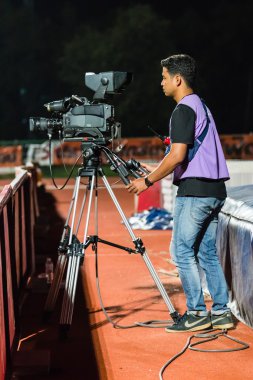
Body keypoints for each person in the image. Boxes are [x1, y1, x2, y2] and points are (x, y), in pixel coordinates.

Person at [127, 54, 234, 333]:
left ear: (177, 79)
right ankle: (221, 312)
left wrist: (147, 181)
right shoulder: (201, 105)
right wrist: (158, 167)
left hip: (195, 192)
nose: (161, 82)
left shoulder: (183, 109)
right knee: (207, 253)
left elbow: (177, 155)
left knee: (182, 251)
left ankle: (197, 312)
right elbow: (183, 156)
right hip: (213, 190)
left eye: (164, 77)